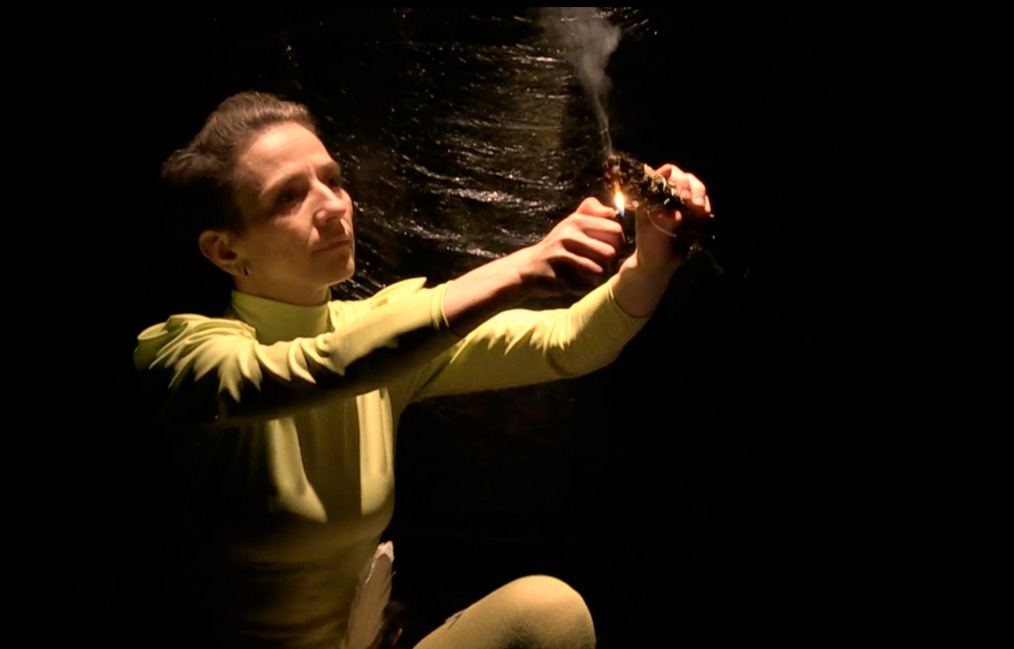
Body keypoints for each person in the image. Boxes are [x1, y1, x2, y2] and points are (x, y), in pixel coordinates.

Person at [134, 91, 711, 649]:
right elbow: (320, 367)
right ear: (226, 250)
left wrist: (650, 265)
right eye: (288, 196)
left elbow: (566, 342)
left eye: (333, 180)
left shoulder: (384, 334)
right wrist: (520, 269)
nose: (332, 205)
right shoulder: (183, 358)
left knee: (547, 611)